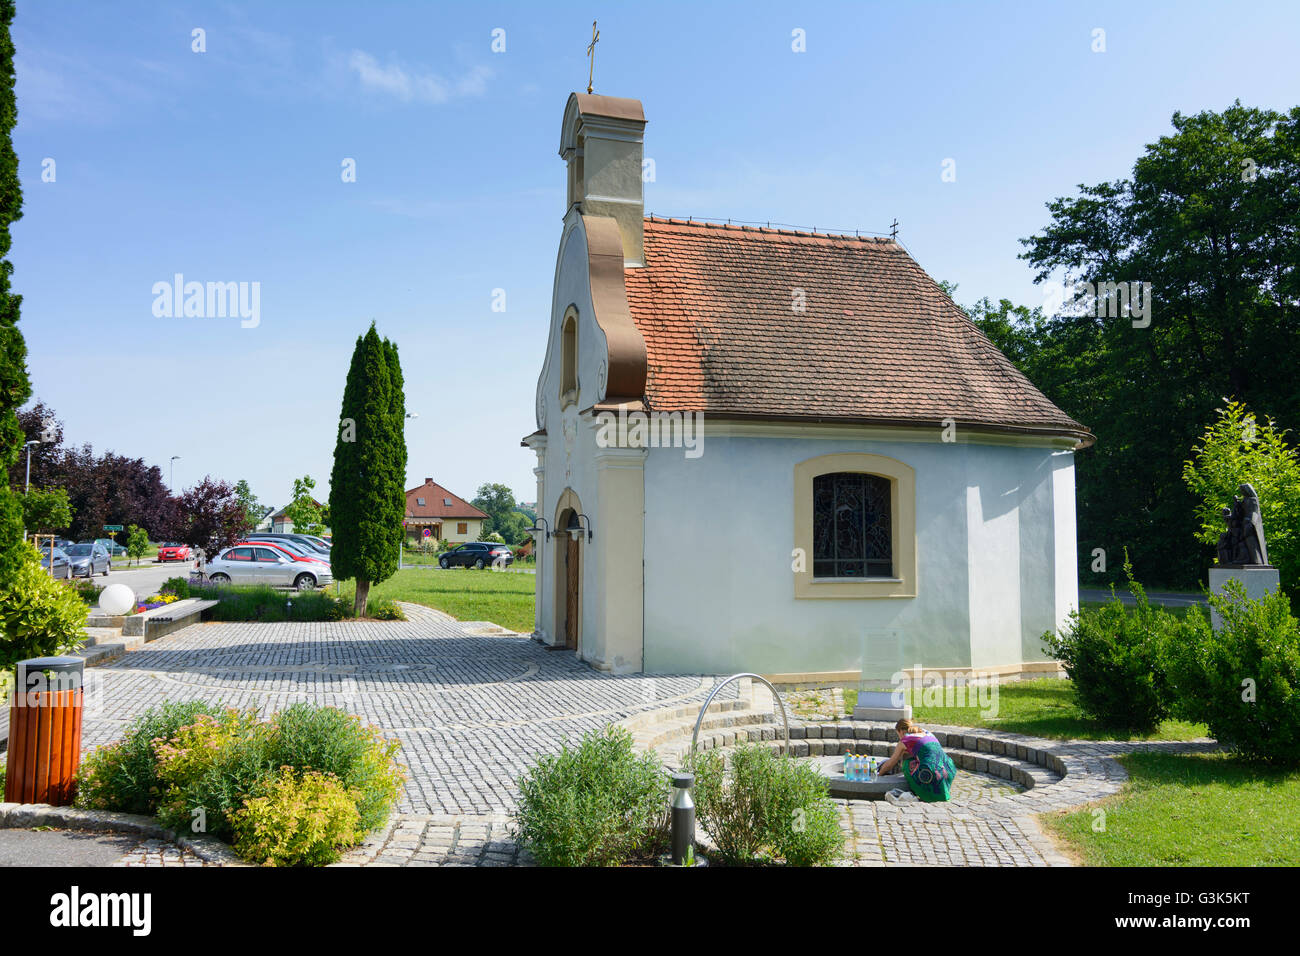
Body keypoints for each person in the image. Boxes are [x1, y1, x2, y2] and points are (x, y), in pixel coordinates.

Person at [877, 718, 958, 803]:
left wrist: (879, 775)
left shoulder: (905, 740)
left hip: (930, 772)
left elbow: (891, 763)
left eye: (898, 734)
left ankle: (925, 793)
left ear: (900, 731)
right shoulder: (926, 732)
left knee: (907, 764)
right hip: (948, 769)